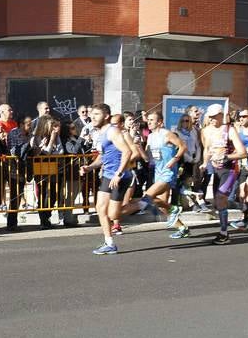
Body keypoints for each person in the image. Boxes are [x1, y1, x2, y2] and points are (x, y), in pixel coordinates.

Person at [80, 104, 133, 254]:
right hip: (107, 175)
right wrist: (89, 167)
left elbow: (127, 151)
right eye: (92, 114)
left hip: (119, 177)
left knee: (113, 215)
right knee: (100, 209)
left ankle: (145, 203)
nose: (92, 117)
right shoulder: (99, 133)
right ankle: (109, 243)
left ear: (106, 116)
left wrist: (118, 173)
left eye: (97, 114)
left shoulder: (113, 131)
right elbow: (103, 157)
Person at [135, 111, 188, 238]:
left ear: (160, 122)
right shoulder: (151, 136)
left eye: (152, 120)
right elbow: (147, 158)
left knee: (148, 195)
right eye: (148, 120)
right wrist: (138, 147)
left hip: (168, 172)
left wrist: (174, 159)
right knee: (162, 205)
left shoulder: (167, 134)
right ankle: (182, 228)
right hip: (157, 172)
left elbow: (183, 146)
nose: (149, 122)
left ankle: (175, 209)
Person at [200, 103, 247, 244]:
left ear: (221, 115)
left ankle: (224, 233)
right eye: (210, 116)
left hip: (230, 170)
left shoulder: (229, 130)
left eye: (215, 116)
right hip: (216, 170)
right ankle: (243, 207)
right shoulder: (205, 131)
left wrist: (226, 157)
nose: (213, 119)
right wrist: (204, 163)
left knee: (220, 197)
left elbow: (243, 153)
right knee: (218, 202)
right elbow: (207, 149)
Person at [29, 114, 64, 229]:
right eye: (51, 126)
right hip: (41, 168)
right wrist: (50, 143)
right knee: (43, 193)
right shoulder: (36, 137)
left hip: (53, 167)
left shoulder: (55, 136)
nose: (54, 128)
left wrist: (50, 147)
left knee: (53, 193)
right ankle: (43, 220)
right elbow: (43, 153)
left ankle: (47, 216)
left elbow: (60, 151)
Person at [6, 116, 33, 230]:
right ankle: (11, 223)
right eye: (28, 124)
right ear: (21, 124)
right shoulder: (14, 133)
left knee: (19, 194)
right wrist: (29, 144)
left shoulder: (30, 134)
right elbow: (15, 152)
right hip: (14, 168)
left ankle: (13, 221)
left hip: (25, 168)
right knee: (14, 195)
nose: (30, 126)